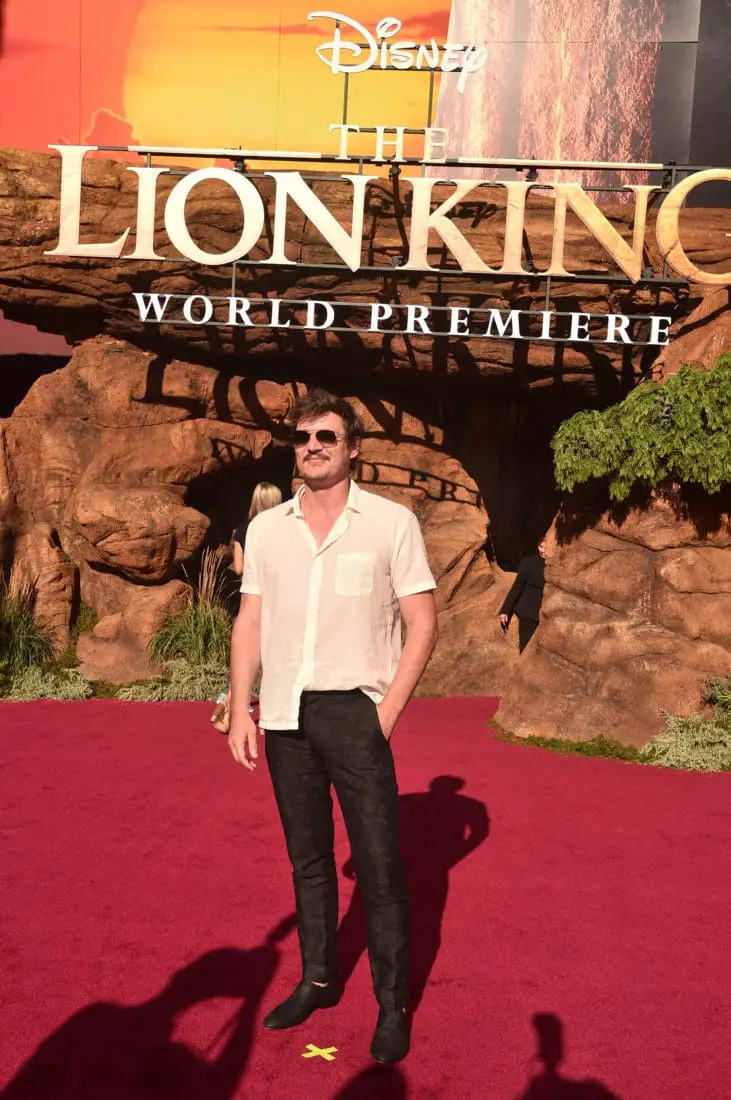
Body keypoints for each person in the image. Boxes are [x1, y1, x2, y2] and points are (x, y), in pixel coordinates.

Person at [227, 388, 439, 1065]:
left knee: (379, 866)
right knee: (310, 862)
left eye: (325, 436)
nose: (312, 446)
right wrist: (239, 705)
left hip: (356, 713)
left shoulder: (390, 522)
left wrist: (387, 710)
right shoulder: (267, 529)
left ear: (353, 448)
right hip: (284, 713)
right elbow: (249, 622)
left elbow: (423, 622)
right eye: (302, 437)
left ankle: (392, 1003)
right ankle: (318, 980)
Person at [210, 482, 283, 732]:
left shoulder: (243, 529)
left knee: (249, 651)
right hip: (275, 595)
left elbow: (239, 567)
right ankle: (268, 718)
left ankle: (227, 704)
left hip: (250, 595)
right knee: (272, 654)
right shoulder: (281, 528)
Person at [498, 538, 548, 652]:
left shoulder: (555, 565)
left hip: (546, 611)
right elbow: (517, 587)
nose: (542, 550)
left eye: (545, 548)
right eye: (540, 546)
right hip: (529, 611)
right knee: (526, 648)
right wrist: (505, 610)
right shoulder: (529, 562)